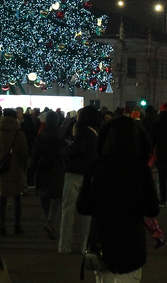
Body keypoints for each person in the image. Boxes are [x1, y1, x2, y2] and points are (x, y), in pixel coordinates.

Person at [77, 116, 159, 282]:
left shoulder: (95, 168)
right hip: (131, 245)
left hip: (102, 244)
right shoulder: (140, 170)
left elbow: (83, 207)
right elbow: (152, 209)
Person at [60, 105, 101, 254]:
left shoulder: (82, 131)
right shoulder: (96, 133)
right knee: (87, 213)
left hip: (74, 172)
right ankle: (85, 245)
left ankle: (64, 245)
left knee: (68, 211)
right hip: (89, 175)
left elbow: (77, 149)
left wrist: (64, 151)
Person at [0, 108, 29, 236]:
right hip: (16, 170)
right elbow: (24, 153)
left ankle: (2, 227)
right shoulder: (19, 133)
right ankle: (17, 226)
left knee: (2, 199)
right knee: (17, 198)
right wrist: (24, 168)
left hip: (2, 169)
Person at [30, 109, 66, 241]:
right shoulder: (62, 137)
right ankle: (50, 223)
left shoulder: (40, 137)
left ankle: (49, 222)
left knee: (44, 198)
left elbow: (34, 157)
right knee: (56, 199)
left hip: (43, 171)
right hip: (57, 172)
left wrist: (31, 173)